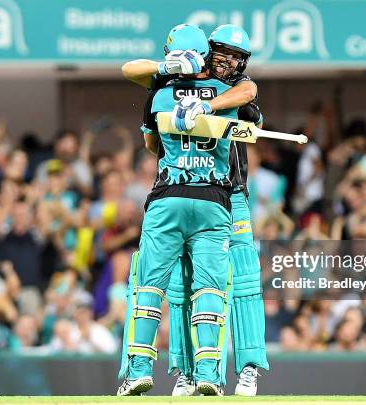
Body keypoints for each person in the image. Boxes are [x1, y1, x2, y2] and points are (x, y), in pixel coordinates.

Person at [120, 24, 269, 396]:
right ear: (206, 52)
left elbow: (249, 92)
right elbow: (131, 70)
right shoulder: (172, 79)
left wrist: (206, 106)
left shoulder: (232, 89)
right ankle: (188, 372)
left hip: (228, 194)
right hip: (208, 198)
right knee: (185, 284)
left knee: (245, 280)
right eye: (222, 54)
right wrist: (172, 67)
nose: (228, 62)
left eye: (237, 58)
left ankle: (248, 369)